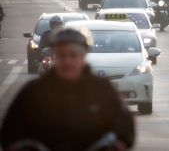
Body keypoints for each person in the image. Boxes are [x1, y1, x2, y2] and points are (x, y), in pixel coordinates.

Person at [0, 28, 135, 151]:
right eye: (62, 55)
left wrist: (118, 142)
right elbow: (10, 129)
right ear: (55, 57)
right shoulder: (34, 91)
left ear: (83, 57)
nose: (67, 62)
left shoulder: (102, 89)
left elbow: (124, 125)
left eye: (73, 55)